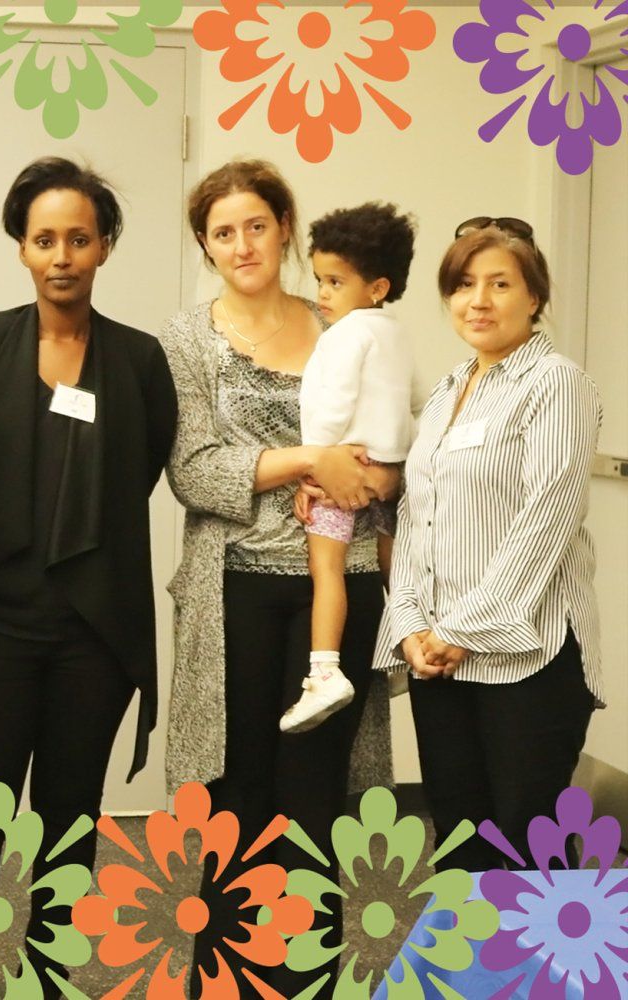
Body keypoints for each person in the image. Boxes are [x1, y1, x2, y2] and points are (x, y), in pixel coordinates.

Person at [158, 160, 399, 994]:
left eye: (256, 224)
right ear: (205, 246)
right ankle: (222, 978)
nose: (243, 244)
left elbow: (393, 447)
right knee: (235, 792)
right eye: (223, 232)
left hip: (342, 583)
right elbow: (193, 468)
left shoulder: (345, 319)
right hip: (233, 590)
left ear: (286, 227)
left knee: (315, 795)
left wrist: (362, 475)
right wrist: (311, 460)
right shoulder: (185, 341)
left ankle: (303, 980)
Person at [0, 158, 174, 995]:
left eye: (79, 237)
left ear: (104, 246)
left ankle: (52, 969)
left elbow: (139, 472)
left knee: (71, 812)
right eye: (45, 239)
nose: (62, 255)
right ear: (21, 249)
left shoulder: (141, 360)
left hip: (94, 632)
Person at [377, 218, 602, 873]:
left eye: (500, 284)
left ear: (533, 296)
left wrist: (463, 629)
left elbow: (546, 518)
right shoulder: (447, 392)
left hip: (528, 656)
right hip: (440, 660)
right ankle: (474, 979)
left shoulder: (556, 383)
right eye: (464, 284)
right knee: (460, 845)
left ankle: (551, 979)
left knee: (534, 853)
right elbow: (416, 516)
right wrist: (414, 624)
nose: (479, 299)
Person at [282, 203, 418, 732]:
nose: (322, 295)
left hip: (340, 476)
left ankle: (324, 673)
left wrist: (312, 470)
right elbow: (419, 402)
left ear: (377, 286)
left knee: (326, 571)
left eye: (335, 282)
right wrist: (397, 460)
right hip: (386, 474)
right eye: (320, 280)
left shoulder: (342, 336)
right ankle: (407, 646)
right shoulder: (398, 333)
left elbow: (329, 403)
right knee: (394, 567)